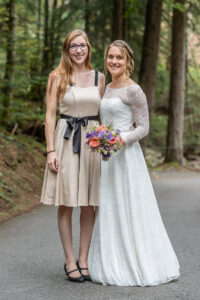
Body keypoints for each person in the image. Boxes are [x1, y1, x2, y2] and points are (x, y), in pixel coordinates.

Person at [88, 40, 180, 286]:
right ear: (106, 59)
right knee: (110, 207)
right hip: (107, 158)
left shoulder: (134, 90)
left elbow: (143, 128)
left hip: (127, 156)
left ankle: (139, 261)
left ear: (128, 61)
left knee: (130, 206)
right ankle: (111, 260)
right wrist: (100, 137)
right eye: (111, 57)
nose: (114, 62)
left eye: (119, 58)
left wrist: (120, 139)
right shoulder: (106, 88)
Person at [40, 30, 105, 283]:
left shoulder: (99, 77)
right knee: (66, 201)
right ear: (67, 50)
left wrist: (108, 141)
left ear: (89, 48)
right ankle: (69, 260)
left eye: (83, 46)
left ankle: (84, 259)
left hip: (92, 141)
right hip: (65, 139)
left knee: (89, 203)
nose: (78, 50)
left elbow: (102, 113)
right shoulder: (57, 77)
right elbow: (49, 115)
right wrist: (50, 150)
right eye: (73, 46)